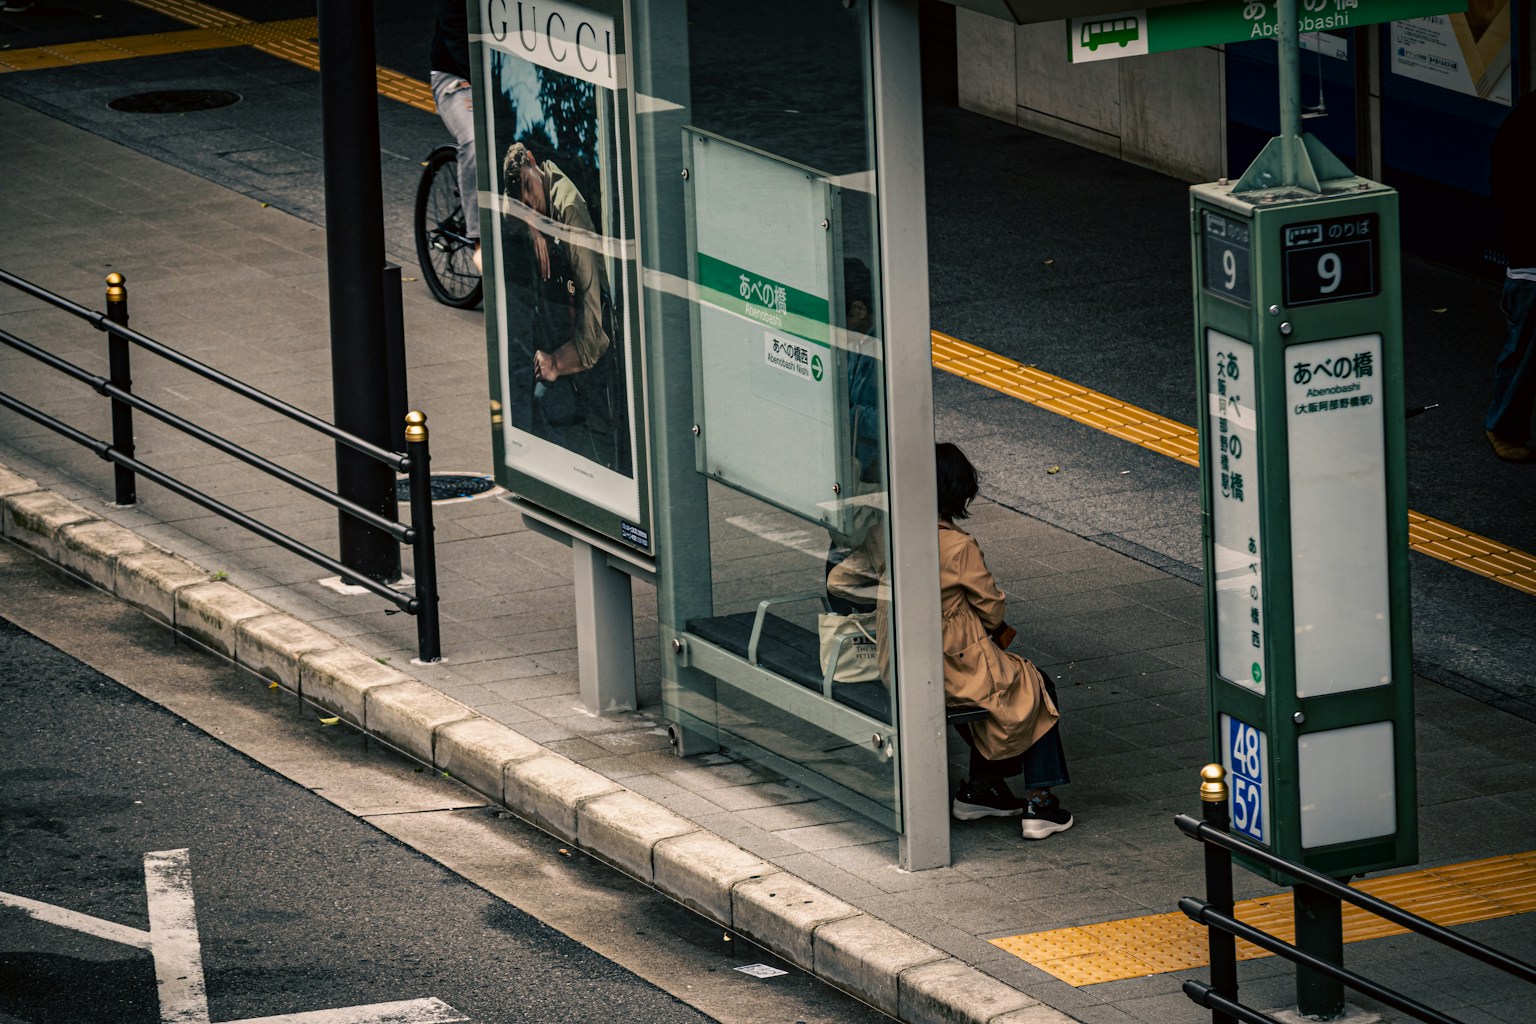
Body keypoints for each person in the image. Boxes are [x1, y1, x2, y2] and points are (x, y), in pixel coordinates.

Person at [935, 442, 1073, 839]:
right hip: (951, 662)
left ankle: (981, 791)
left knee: (1003, 693)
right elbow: (992, 609)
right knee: (1036, 686)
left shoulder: (891, 531)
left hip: (904, 658)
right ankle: (1041, 803)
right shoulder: (958, 546)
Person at [503, 141, 628, 474]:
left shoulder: (569, 209)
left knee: (556, 413)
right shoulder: (545, 201)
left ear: (532, 161)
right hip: (572, 343)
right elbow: (508, 212)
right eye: (523, 201)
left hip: (592, 359)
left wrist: (557, 363)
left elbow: (594, 315)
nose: (530, 202)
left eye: (528, 189)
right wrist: (534, 223)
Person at [1484, 90, 1536, 463]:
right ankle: (1503, 428)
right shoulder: (1524, 131)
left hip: (1527, 259)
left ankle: (1505, 427)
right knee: (1525, 350)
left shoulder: (1518, 124)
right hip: (1531, 263)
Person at [429, 0, 480, 273]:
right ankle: (479, 240)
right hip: (457, 76)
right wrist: (483, 85)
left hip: (504, 76)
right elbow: (455, 35)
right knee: (475, 140)